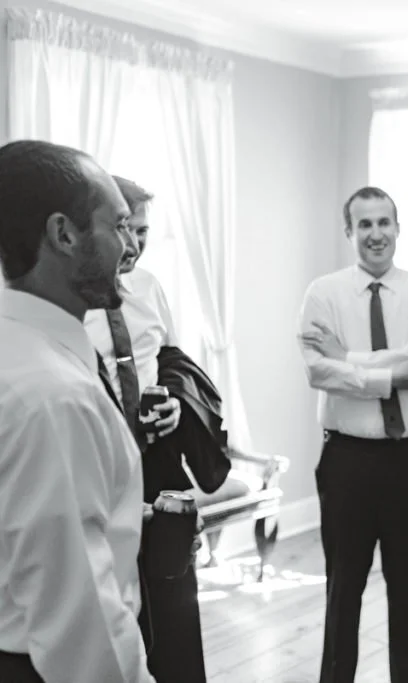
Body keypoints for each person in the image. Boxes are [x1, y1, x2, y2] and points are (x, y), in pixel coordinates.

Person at [0, 139, 155, 682]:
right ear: (64, 234)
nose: (129, 248)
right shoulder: (53, 397)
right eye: (119, 226)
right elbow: (81, 620)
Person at [85, 175, 229, 682]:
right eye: (125, 229)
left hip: (159, 462)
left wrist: (175, 407)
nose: (135, 244)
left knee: (176, 603)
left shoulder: (150, 288)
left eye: (143, 231)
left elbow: (170, 361)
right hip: (100, 467)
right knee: (116, 605)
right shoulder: (69, 300)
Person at [298, 186, 408, 683]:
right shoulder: (323, 293)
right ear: (349, 231)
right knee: (343, 590)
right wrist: (384, 371)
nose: (376, 233)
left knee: (407, 590)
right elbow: (318, 372)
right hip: (346, 462)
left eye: (384, 222)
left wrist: (347, 358)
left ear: (398, 228)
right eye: (365, 224)